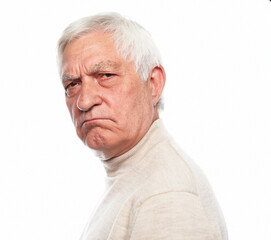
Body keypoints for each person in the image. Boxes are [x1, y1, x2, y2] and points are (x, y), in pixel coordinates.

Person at [57, 12, 228, 240]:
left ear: (153, 83)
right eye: (72, 84)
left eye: (106, 75)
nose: (84, 101)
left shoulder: (167, 196)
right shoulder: (134, 176)